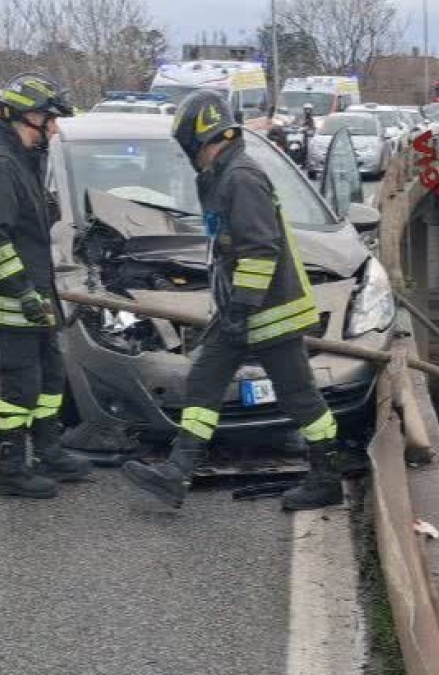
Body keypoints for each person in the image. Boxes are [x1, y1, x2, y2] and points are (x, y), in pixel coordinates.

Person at [121, 91, 342, 511]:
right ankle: (177, 471)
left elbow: (260, 249)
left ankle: (326, 477)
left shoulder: (240, 177)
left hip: (269, 310)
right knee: (204, 378)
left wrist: (241, 306)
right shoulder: (224, 174)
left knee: (299, 396)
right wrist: (234, 308)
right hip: (241, 309)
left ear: (200, 139)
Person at [0, 73, 92, 499]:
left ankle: (48, 451)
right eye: (51, 120)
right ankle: (9, 469)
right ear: (31, 116)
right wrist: (22, 290)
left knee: (50, 376)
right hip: (15, 301)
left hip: (38, 295)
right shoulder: (1, 165)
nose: (55, 130)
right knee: (21, 385)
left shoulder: (24, 158)